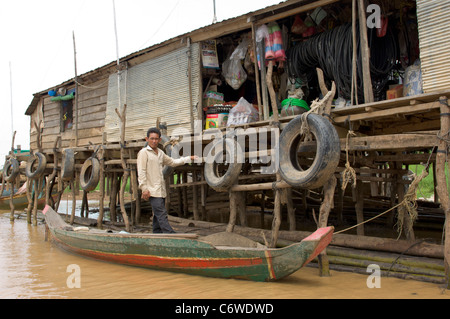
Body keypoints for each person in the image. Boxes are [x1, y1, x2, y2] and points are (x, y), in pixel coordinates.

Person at [137, 127, 196, 233]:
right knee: (161, 214)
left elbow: (172, 162)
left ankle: (157, 235)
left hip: (161, 191)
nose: (154, 141)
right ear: (147, 139)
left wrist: (188, 158)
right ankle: (171, 235)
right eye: (152, 139)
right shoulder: (143, 153)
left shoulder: (160, 153)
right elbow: (141, 172)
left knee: (157, 217)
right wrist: (144, 188)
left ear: (160, 140)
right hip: (152, 191)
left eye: (156, 139)